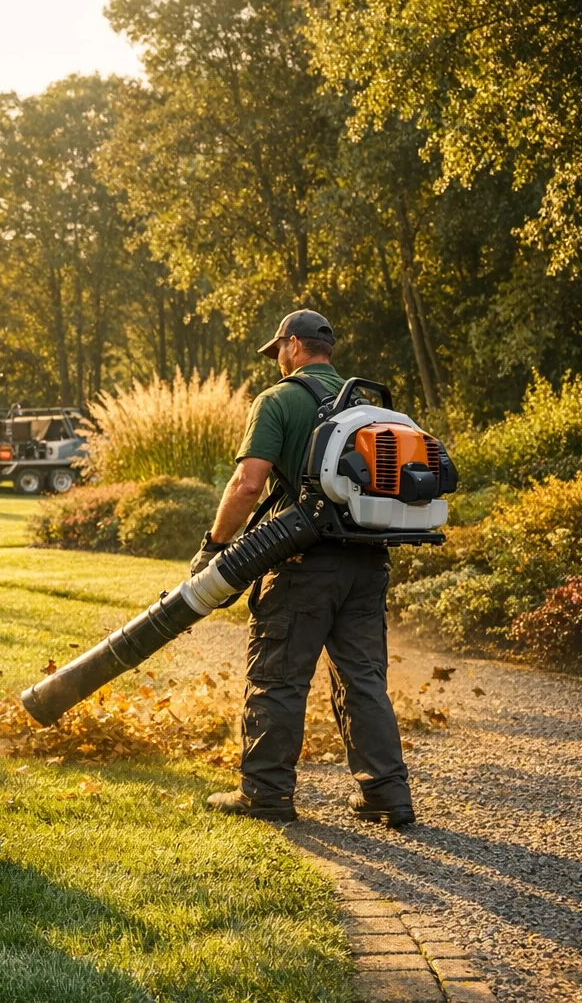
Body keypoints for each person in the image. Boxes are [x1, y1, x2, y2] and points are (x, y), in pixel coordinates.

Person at [194, 309, 414, 828]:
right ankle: (386, 794)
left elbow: (248, 485)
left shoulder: (279, 400)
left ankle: (265, 793)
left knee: (278, 677)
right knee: (364, 679)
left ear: (293, 346)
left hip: (302, 563)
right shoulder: (366, 404)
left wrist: (215, 545)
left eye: (278, 353)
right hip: (367, 562)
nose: (277, 363)